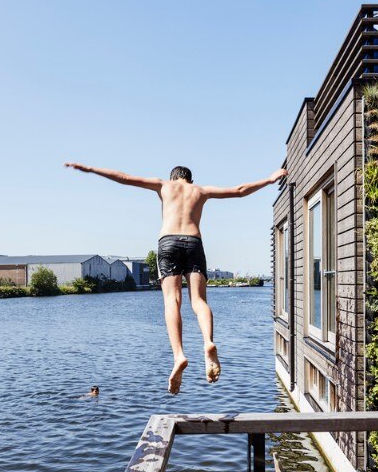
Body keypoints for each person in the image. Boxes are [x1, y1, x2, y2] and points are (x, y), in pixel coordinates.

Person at [64, 162, 288, 394]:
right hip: (193, 242)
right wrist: (270, 179)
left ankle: (179, 355)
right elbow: (240, 190)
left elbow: (124, 177)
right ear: (189, 180)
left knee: (172, 301)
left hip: (168, 242)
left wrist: (91, 169)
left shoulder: (163, 186)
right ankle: (208, 342)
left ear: (173, 179)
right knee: (199, 302)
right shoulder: (200, 191)